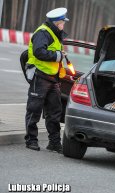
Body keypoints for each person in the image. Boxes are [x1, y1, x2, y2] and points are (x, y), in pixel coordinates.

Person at [24, 8, 69, 153]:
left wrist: (60, 56)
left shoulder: (54, 34)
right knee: (34, 109)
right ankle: (31, 140)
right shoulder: (43, 32)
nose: (64, 25)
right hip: (40, 75)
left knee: (55, 112)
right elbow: (39, 52)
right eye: (63, 22)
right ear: (57, 23)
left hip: (52, 79)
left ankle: (54, 143)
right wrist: (57, 55)